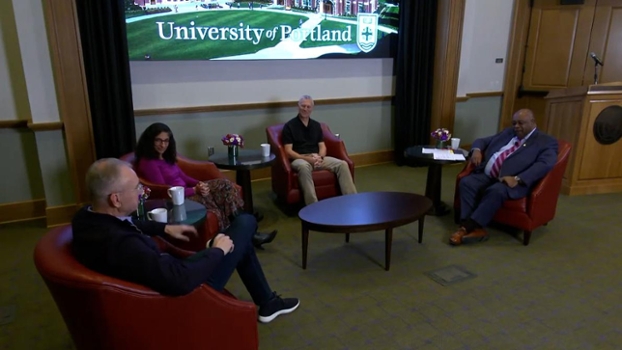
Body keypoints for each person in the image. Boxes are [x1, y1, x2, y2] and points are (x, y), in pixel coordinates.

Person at [72, 158, 300, 323]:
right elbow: (179, 281)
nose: (142, 192)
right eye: (137, 188)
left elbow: (129, 224)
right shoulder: (123, 245)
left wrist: (163, 228)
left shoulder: (87, 219)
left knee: (240, 242)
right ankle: (268, 301)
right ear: (116, 199)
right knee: (245, 223)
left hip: (167, 274)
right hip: (185, 295)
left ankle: (268, 301)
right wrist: (217, 252)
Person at [135, 123, 276, 248]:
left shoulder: (165, 156)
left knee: (226, 185)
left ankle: (246, 233)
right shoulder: (149, 163)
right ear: (150, 141)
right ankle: (249, 235)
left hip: (189, 191)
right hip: (178, 200)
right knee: (219, 195)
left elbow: (182, 177)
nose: (163, 145)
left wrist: (199, 184)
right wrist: (194, 190)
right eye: (158, 140)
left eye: (166, 141)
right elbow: (167, 191)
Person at [450, 109, 558, 246]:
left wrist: (518, 178)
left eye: (521, 123)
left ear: (533, 122)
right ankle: (473, 227)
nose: (516, 126)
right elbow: (482, 141)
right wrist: (476, 150)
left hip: (513, 182)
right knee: (467, 182)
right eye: (514, 123)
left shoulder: (546, 141)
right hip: (488, 174)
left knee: (496, 191)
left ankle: (465, 229)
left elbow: (545, 164)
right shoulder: (509, 132)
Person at [282, 95, 357, 205]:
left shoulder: (316, 125)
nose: (305, 109)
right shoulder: (290, 126)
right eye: (303, 106)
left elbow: (322, 146)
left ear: (312, 108)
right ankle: (313, 205)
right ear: (298, 107)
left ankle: (352, 200)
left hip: (317, 157)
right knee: (303, 167)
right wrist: (307, 159)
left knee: (342, 164)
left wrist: (320, 157)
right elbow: (288, 151)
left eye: (308, 107)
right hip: (299, 158)